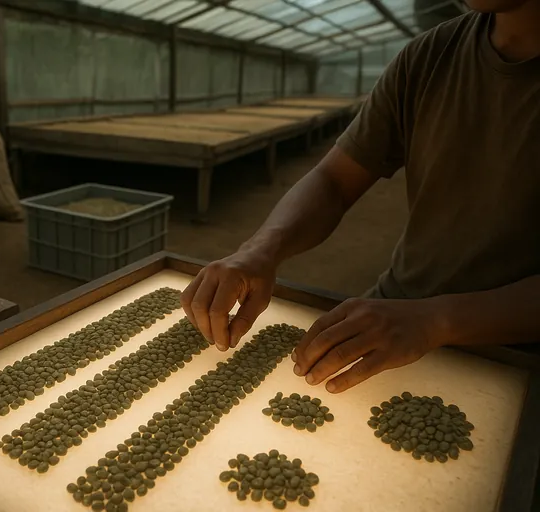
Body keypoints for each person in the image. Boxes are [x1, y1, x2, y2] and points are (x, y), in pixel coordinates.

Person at [180, 5, 540, 394]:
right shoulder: (431, 55)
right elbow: (335, 179)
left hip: (515, 348)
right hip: (394, 312)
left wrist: (436, 320)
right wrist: (260, 251)